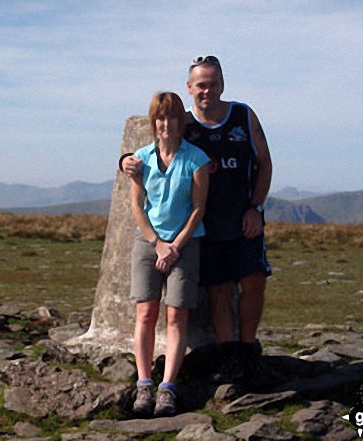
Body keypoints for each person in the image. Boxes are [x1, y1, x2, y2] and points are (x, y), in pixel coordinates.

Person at [122, 56, 273, 384]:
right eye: (201, 85)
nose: (207, 90)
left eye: (213, 83)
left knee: (253, 281)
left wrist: (255, 208)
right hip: (206, 226)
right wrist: (124, 160)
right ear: (190, 88)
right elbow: (154, 145)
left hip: (242, 217)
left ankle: (248, 352)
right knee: (217, 289)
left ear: (222, 85)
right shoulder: (185, 124)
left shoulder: (243, 117)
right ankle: (229, 354)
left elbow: (265, 162)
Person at [129, 92, 210, 417]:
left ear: (181, 122)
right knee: (145, 314)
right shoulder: (141, 158)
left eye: (172, 117)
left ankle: (167, 389)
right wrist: (157, 243)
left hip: (186, 245)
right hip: (148, 245)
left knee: (177, 316)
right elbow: (136, 206)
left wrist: (175, 245)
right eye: (160, 118)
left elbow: (198, 209)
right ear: (154, 123)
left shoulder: (197, 160)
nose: (166, 124)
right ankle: (144, 384)